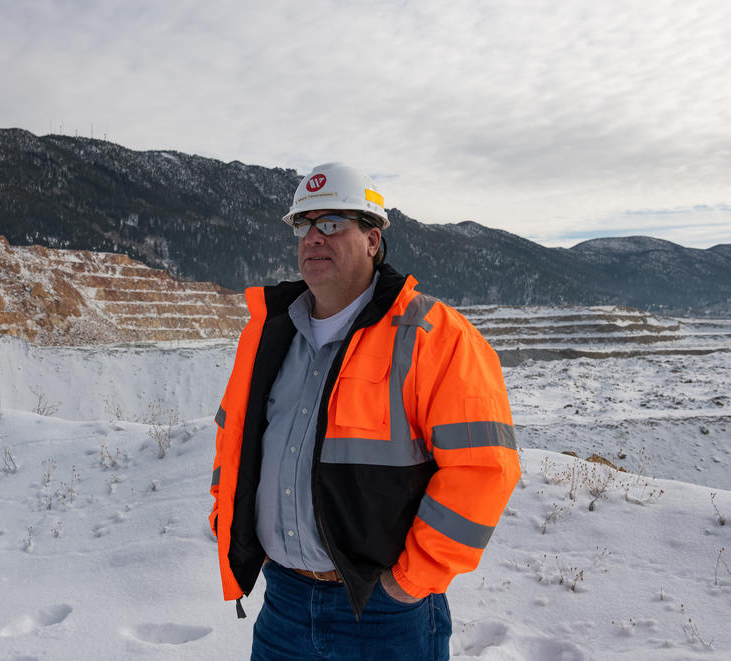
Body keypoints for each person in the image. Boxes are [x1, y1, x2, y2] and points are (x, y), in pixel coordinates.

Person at [208, 163, 521, 660]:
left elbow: (484, 469)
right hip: (284, 604)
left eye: (331, 223)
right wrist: (228, 521)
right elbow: (234, 438)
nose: (313, 237)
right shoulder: (267, 333)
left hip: (383, 614)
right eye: (303, 225)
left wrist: (409, 580)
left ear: (373, 240)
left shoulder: (432, 334)